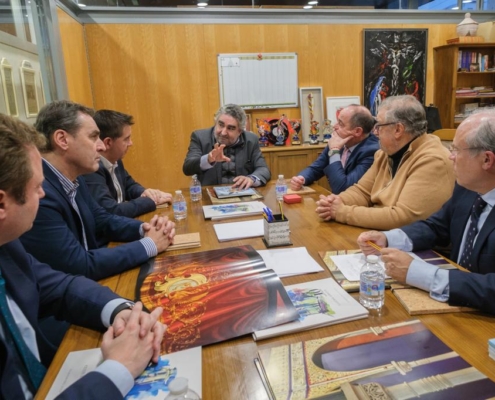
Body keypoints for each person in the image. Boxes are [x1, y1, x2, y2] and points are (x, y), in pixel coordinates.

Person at [0, 113, 165, 399]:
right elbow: (78, 265)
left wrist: (121, 310)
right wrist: (119, 369)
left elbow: (58, 286)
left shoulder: (7, 245)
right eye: (35, 187)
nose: (42, 193)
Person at [19, 100, 176, 281]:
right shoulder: (39, 195)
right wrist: (149, 244)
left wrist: (145, 228)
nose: (101, 146)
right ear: (62, 140)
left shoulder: (73, 177)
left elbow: (102, 219)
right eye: (93, 137)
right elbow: (79, 265)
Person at [358, 110, 495, 315]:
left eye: (456, 150)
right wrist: (387, 239)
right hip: (454, 308)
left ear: (487, 160)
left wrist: (419, 274)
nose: (451, 156)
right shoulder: (468, 188)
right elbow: (436, 226)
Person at [315, 95, 455, 230]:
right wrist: (334, 202)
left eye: (379, 126)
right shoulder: (384, 153)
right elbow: (362, 191)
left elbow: (403, 217)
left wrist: (341, 211)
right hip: (384, 236)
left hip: (417, 247)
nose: (375, 132)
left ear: (398, 130)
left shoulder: (432, 160)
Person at [84, 110, 172, 218]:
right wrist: (149, 201)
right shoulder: (92, 169)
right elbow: (111, 210)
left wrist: (146, 192)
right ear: (108, 143)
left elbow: (129, 185)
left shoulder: (116, 159)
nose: (131, 143)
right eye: (126, 139)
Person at [290, 105, 379, 194]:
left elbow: (342, 189)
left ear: (357, 131)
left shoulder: (372, 152)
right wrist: (301, 179)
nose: (334, 127)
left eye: (341, 124)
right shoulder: (340, 140)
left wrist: (334, 151)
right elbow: (316, 168)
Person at [182, 103, 271, 189]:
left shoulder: (251, 140)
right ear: (215, 122)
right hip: (209, 196)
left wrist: (251, 179)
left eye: (230, 128)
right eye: (220, 125)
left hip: (242, 194)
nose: (223, 132)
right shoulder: (200, 137)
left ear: (240, 131)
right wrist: (208, 160)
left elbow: (263, 169)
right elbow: (188, 168)